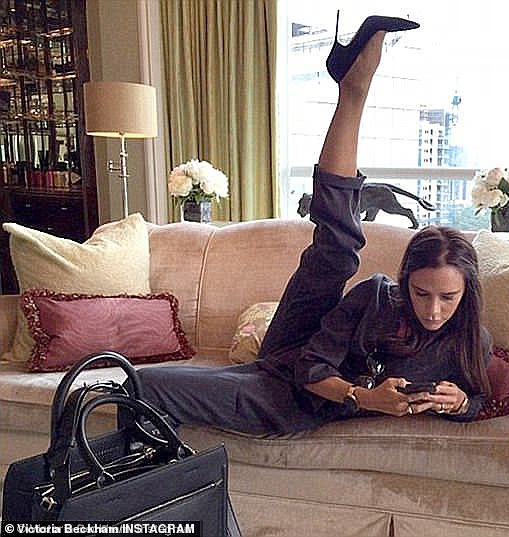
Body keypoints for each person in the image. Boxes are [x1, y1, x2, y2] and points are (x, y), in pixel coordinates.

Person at [132, 14, 491, 436]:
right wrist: (366, 397)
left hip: (291, 399)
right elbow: (311, 367)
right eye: (421, 293)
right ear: (405, 281)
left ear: (466, 293)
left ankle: (351, 85)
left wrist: (460, 402)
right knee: (337, 252)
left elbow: (481, 399)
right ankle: (353, 90)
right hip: (302, 372)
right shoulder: (378, 297)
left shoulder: (471, 341)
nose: (433, 310)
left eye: (448, 297)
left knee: (143, 383)